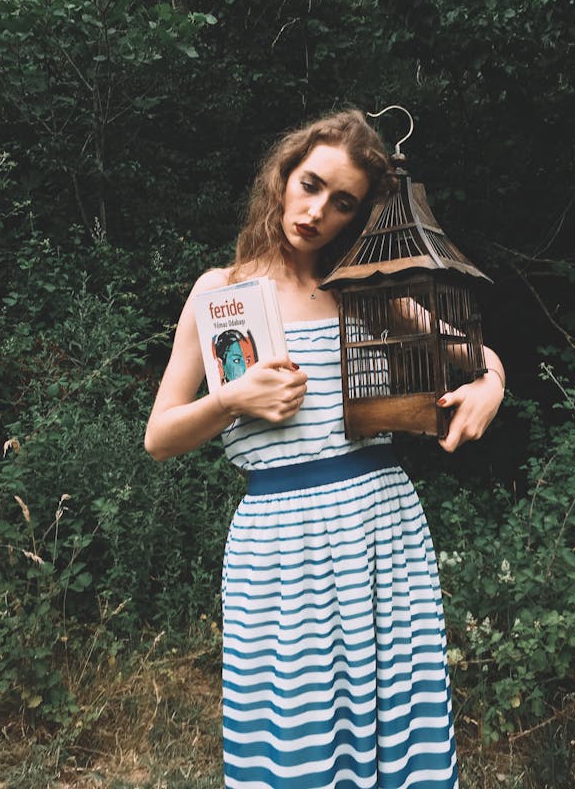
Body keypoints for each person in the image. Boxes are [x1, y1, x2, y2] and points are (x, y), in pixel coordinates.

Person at [145, 108, 505, 789]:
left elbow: (471, 353)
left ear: (360, 215)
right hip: (281, 543)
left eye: (342, 203)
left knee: (394, 717)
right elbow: (159, 436)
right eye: (309, 185)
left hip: (381, 530)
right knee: (295, 734)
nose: (315, 212)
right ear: (282, 176)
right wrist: (230, 400)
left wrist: (492, 382)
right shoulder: (220, 293)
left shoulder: (365, 293)